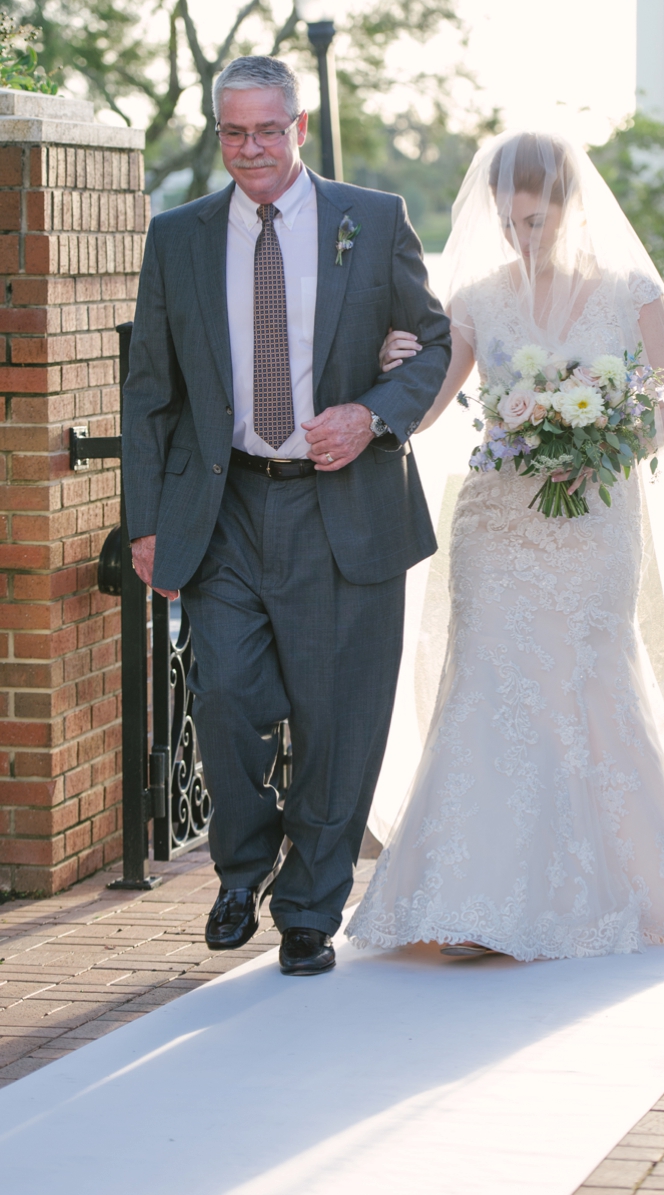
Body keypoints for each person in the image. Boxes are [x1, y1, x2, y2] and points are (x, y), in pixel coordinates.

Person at [347, 131, 664, 961]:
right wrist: (396, 358)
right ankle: (474, 901)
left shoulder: (633, 292)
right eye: (511, 223)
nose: (525, 237)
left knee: (588, 681)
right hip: (498, 523)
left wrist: (590, 431)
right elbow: (435, 404)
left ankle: (620, 885)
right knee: (489, 682)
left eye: (537, 220)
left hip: (593, 519)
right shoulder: (477, 297)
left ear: (570, 206)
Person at [122, 55, 451, 976]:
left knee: (339, 721)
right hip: (225, 506)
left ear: (299, 128)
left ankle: (310, 907)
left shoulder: (372, 220)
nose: (252, 148)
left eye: (269, 129)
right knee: (224, 692)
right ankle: (243, 863)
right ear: (219, 133)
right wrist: (145, 519)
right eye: (235, 131)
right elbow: (149, 388)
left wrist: (373, 413)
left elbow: (431, 341)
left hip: (344, 506)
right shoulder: (179, 236)